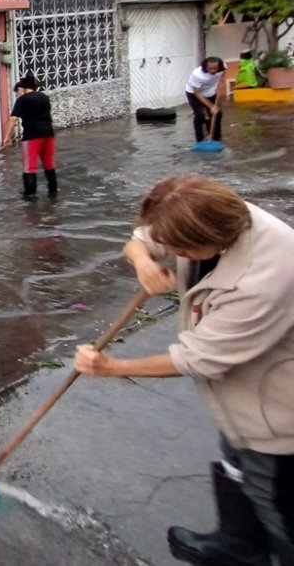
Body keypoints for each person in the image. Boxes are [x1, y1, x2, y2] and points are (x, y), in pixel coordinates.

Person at [75, 175, 294, 566]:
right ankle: (239, 545)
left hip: (280, 410)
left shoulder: (266, 278)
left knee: (275, 495)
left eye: (176, 249)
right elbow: (142, 238)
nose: (169, 253)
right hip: (241, 397)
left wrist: (111, 366)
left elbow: (196, 358)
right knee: (236, 461)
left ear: (208, 240)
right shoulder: (208, 218)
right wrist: (142, 259)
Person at [2, 73, 56, 199]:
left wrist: (7, 137)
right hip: (48, 133)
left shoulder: (23, 99)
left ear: (22, 88)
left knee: (29, 166)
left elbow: (13, 119)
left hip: (32, 136)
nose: (17, 94)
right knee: (49, 163)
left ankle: (30, 195)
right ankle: (53, 191)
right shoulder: (44, 97)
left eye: (17, 92)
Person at [185, 56, 227, 144]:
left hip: (210, 92)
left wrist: (220, 99)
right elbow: (198, 93)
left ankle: (215, 138)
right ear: (205, 67)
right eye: (210, 68)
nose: (213, 71)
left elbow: (222, 80)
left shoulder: (222, 68)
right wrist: (211, 106)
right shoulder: (197, 74)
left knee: (217, 113)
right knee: (200, 115)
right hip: (194, 93)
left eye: (215, 68)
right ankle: (200, 141)